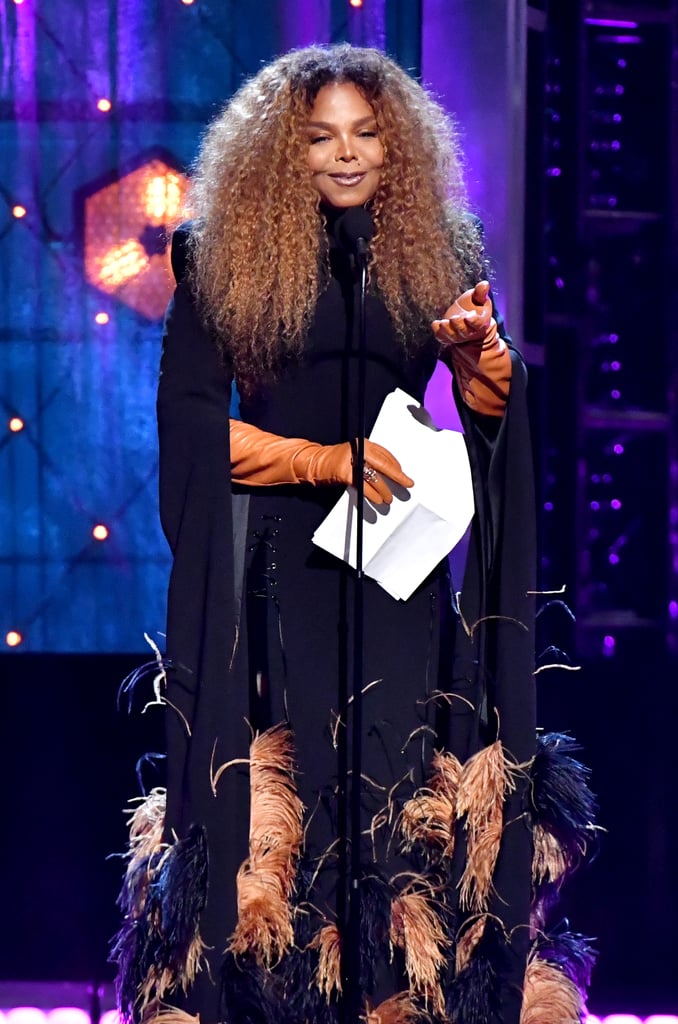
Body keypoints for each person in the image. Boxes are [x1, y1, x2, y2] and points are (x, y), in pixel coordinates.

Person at [113, 44, 596, 1024]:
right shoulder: (217, 259)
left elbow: (491, 411)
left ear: (398, 145)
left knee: (398, 787)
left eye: (366, 133)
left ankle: (395, 994)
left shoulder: (443, 251)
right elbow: (194, 433)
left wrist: (485, 369)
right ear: (284, 153)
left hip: (397, 566)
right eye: (321, 136)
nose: (344, 154)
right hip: (273, 573)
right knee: (278, 801)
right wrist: (324, 461)